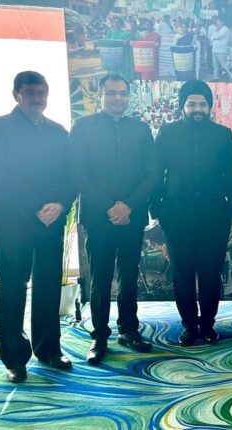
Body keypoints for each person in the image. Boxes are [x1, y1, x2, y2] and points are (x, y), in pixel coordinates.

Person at [0, 71, 76, 382]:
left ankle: (48, 349)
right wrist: (38, 207)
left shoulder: (58, 132)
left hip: (51, 221)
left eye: (41, 92)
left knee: (48, 285)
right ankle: (14, 359)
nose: (37, 98)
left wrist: (61, 203)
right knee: (12, 288)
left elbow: (71, 174)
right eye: (30, 92)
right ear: (16, 95)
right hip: (11, 221)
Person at [68, 74, 159, 364]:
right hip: (98, 217)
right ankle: (99, 335)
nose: (117, 98)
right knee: (101, 277)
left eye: (122, 93)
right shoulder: (83, 127)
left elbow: (153, 172)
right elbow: (76, 173)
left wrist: (128, 206)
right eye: (111, 93)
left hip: (132, 216)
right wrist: (110, 207)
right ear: (101, 94)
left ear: (128, 96)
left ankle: (129, 330)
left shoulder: (141, 129)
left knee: (129, 275)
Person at [151, 80, 232, 346]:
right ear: (183, 106)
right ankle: (189, 325)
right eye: (192, 104)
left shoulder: (222, 134)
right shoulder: (167, 133)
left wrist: (231, 211)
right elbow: (156, 173)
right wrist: (157, 210)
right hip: (176, 216)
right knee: (183, 273)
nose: (197, 109)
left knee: (211, 273)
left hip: (215, 217)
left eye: (202, 104)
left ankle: (208, 324)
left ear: (209, 106)